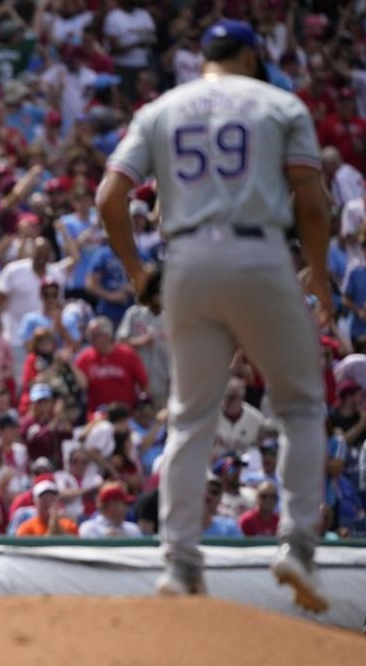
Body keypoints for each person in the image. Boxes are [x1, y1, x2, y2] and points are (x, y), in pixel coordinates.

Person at [97, 19, 332, 611]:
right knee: (301, 405)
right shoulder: (279, 102)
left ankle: (178, 561)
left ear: (203, 58)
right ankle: (299, 548)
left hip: (187, 259)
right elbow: (311, 199)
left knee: (189, 418)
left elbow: (109, 196)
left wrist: (136, 272)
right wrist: (322, 277)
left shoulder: (161, 108)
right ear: (253, 54)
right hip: (260, 253)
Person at [78, 482, 143, 538]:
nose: (126, 508)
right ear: (108, 506)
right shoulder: (89, 528)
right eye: (122, 504)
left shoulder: (133, 529)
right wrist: (105, 539)